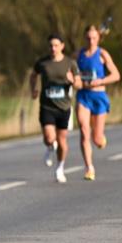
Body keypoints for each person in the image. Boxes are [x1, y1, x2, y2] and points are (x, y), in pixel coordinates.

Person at [30, 33, 83, 183]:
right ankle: (49, 146)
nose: (53, 48)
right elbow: (33, 75)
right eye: (50, 46)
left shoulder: (70, 63)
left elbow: (79, 84)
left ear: (62, 46)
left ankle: (60, 167)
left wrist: (73, 81)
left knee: (62, 141)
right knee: (49, 137)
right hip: (47, 105)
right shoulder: (42, 63)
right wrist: (33, 89)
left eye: (56, 45)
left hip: (64, 107)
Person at [75, 24, 121, 181]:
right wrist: (74, 81)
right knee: (83, 130)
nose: (91, 41)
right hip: (83, 96)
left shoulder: (103, 54)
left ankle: (101, 139)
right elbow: (71, 72)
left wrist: (100, 81)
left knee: (97, 139)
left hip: (99, 97)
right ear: (84, 38)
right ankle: (89, 168)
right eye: (88, 38)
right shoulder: (78, 54)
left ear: (98, 38)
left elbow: (116, 75)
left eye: (94, 38)